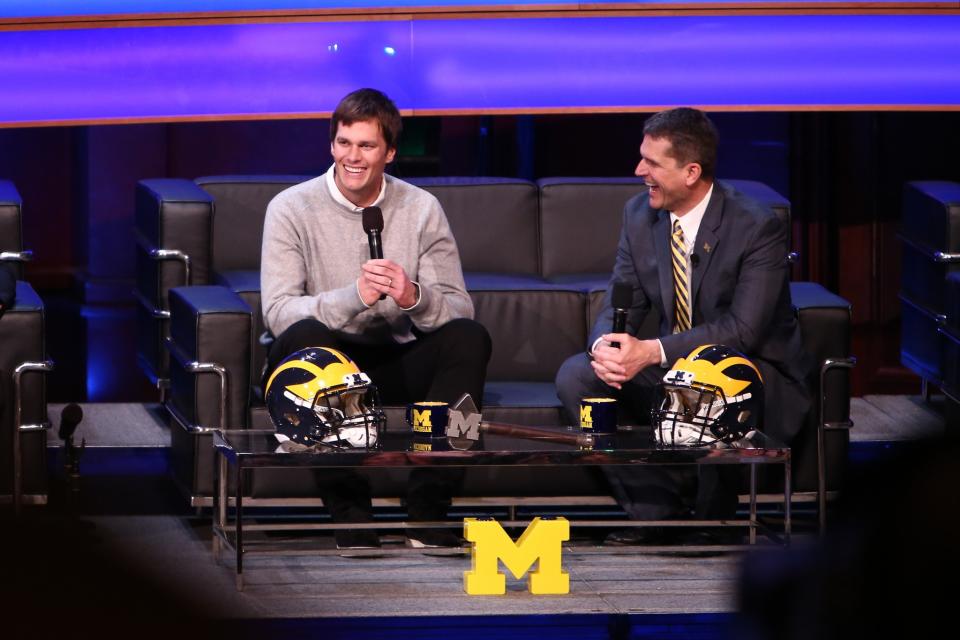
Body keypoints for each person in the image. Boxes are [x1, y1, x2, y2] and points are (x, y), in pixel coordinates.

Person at [555, 107, 812, 545]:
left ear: (692, 171)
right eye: (642, 159)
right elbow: (623, 298)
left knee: (709, 378)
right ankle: (658, 514)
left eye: (652, 163)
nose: (640, 172)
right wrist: (606, 346)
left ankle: (713, 522)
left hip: (751, 373)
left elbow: (742, 330)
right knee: (578, 374)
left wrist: (651, 351)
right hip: (678, 367)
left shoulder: (756, 226)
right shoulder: (639, 216)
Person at [260, 88, 491, 551]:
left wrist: (413, 297)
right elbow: (279, 310)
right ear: (331, 145)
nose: (353, 157)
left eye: (367, 146)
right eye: (344, 143)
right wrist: (354, 297)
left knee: (469, 337)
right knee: (305, 334)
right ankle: (352, 514)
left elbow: (458, 305)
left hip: (400, 356)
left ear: (389, 152)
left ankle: (427, 515)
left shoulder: (421, 207)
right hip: (332, 361)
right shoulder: (290, 207)